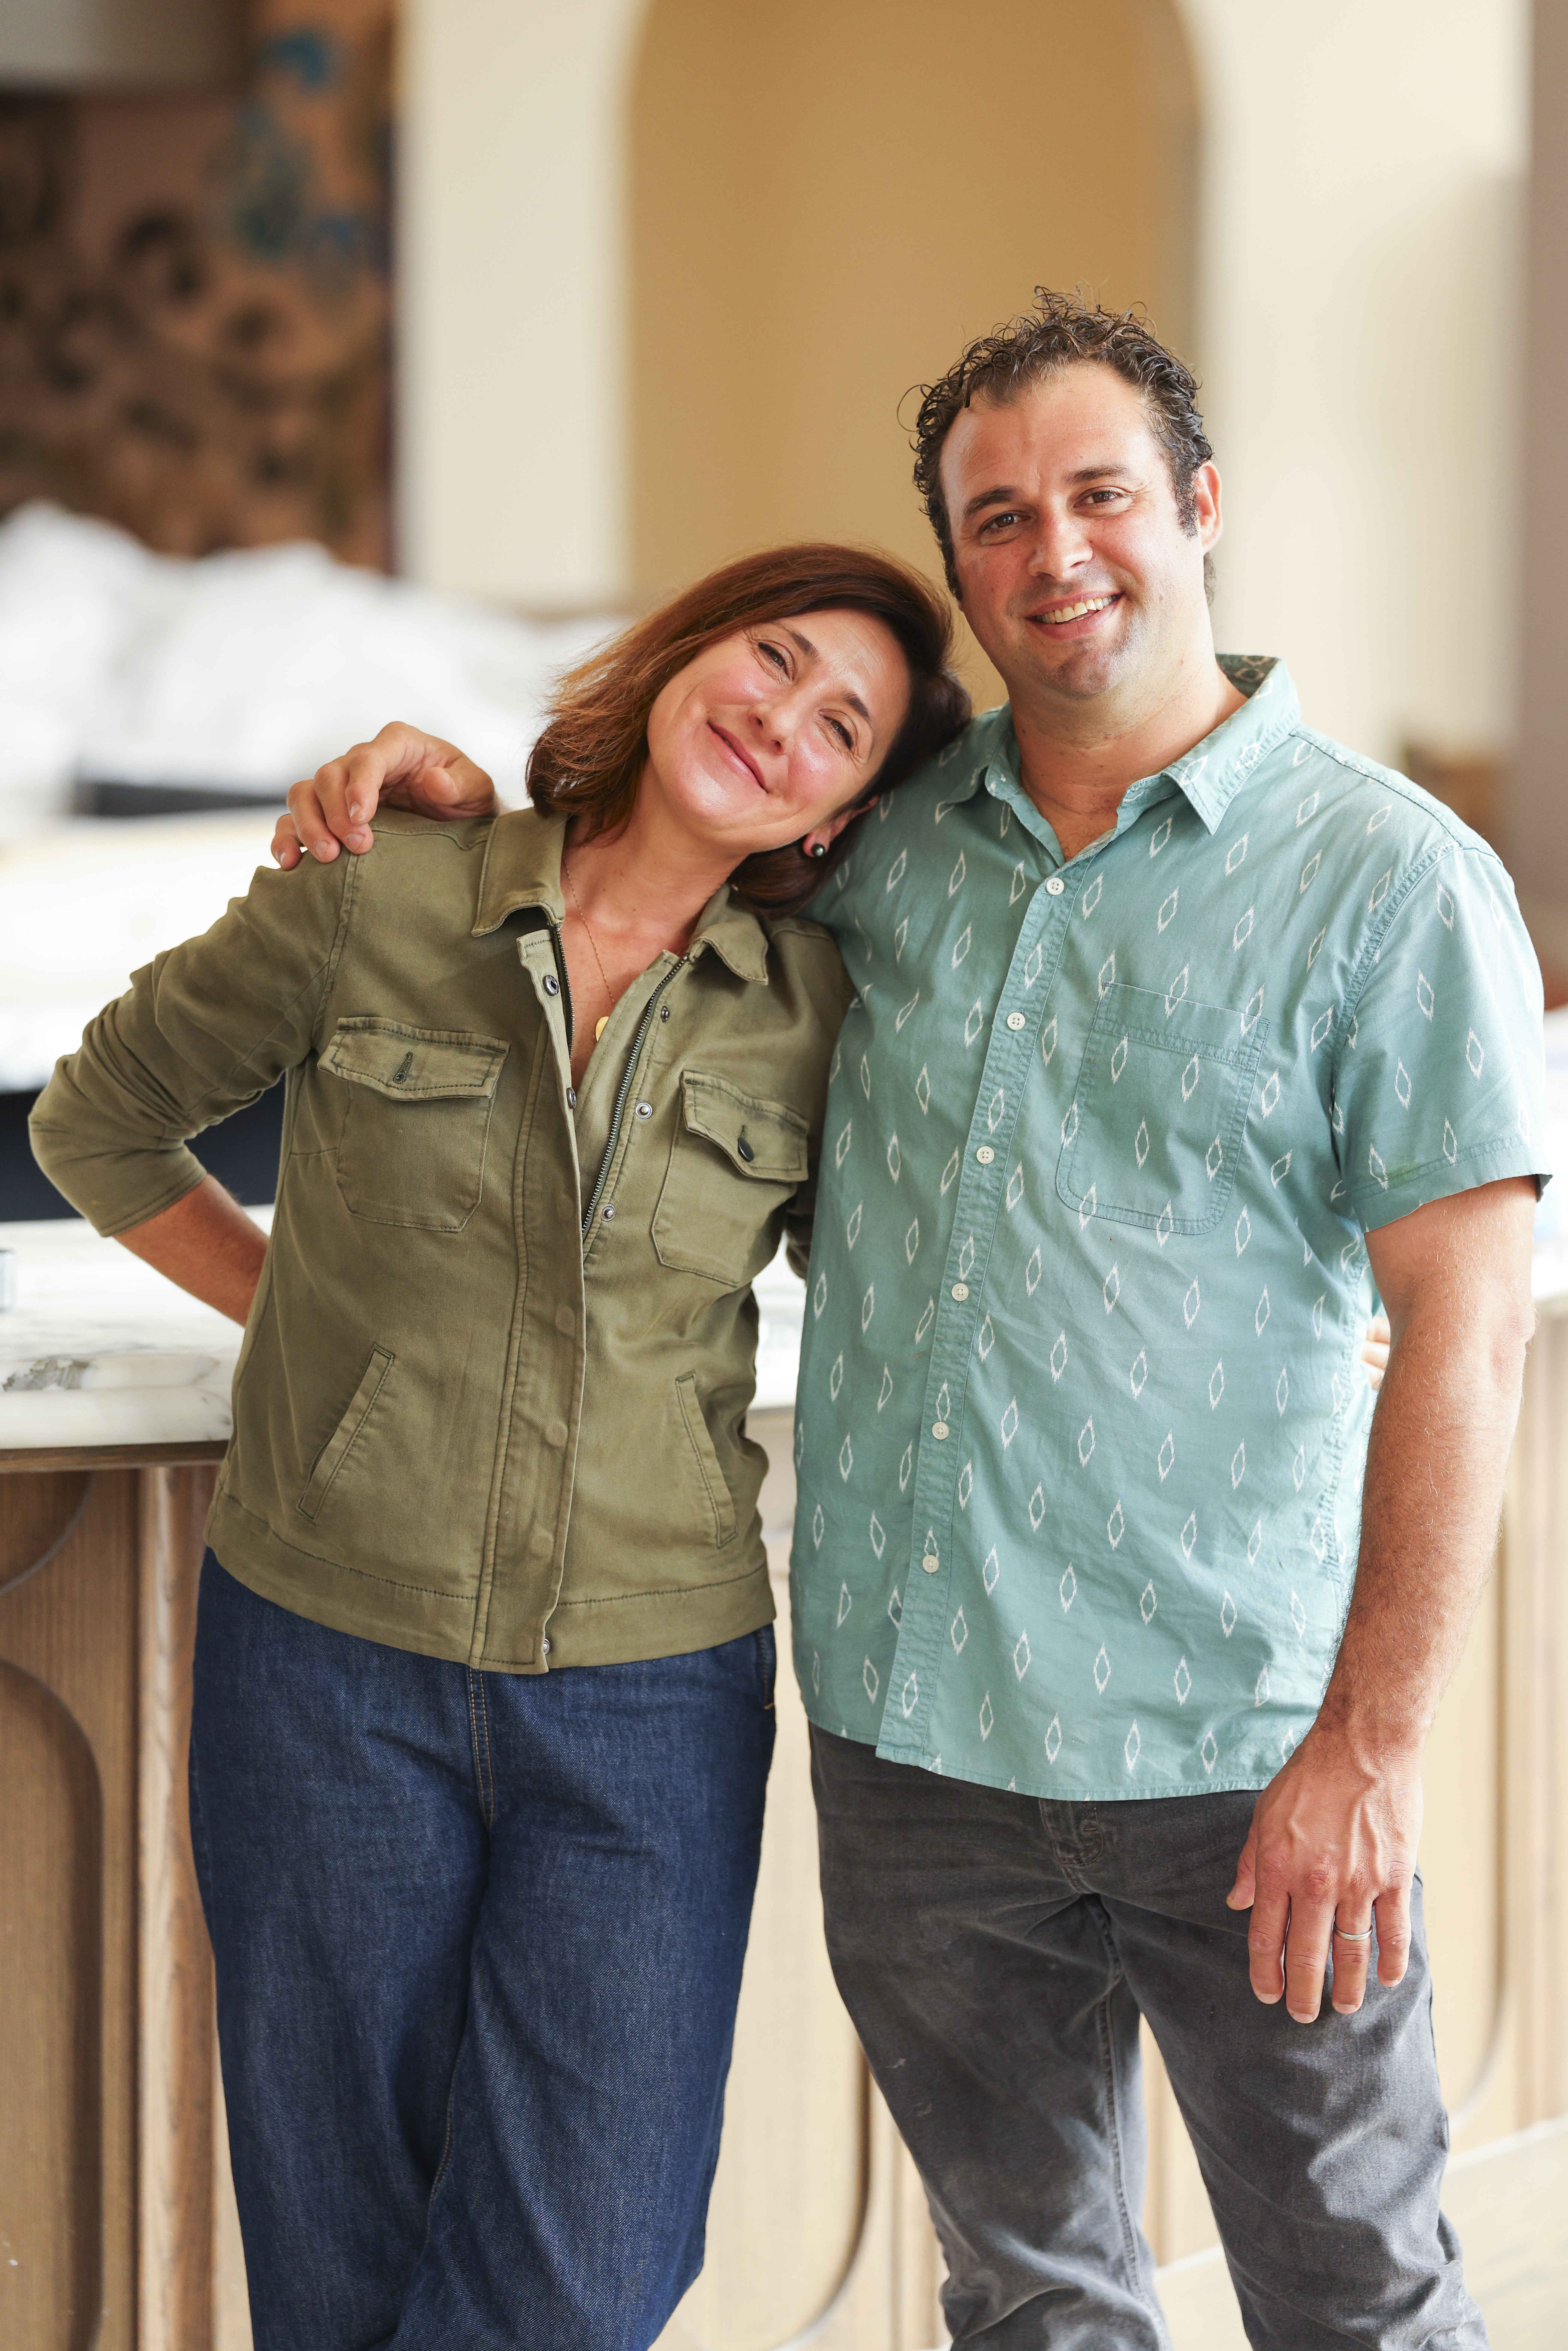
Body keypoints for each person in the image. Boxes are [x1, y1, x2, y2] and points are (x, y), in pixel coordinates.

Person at [285, 292, 1547, 2348]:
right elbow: (634, 870)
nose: (1057, 552)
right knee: (1030, 2303)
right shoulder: (873, 856)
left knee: (1357, 2304)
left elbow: (1467, 1335)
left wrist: (1374, 1749)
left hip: (1243, 1762)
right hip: (914, 1746)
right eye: (997, 518)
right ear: (960, 567)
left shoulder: (1392, 885)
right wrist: (446, 783)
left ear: (1201, 507)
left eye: (1102, 496)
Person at [29, 543, 969, 2351]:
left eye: (840, 726)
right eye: (770, 660)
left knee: (590, 2262)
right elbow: (103, 1123)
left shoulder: (825, 1018)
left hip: (647, 1695)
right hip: (322, 1664)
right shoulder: (381, 892)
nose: (781, 720)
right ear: (692, 652)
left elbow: (913, 1292)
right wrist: (315, 1323)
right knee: (338, 2246)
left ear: (849, 810)